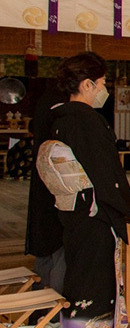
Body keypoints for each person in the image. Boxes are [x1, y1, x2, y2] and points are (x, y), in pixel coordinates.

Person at [44, 53, 130, 328]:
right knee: (95, 283)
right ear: (87, 84)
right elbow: (106, 173)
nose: (104, 89)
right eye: (103, 83)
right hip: (95, 214)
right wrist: (124, 208)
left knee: (81, 277)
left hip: (73, 213)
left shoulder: (60, 119)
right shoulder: (86, 121)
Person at [25, 84, 68, 291]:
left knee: (46, 252)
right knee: (59, 252)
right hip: (57, 188)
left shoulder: (48, 99)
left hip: (45, 187)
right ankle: (53, 311)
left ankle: (39, 312)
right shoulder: (60, 104)